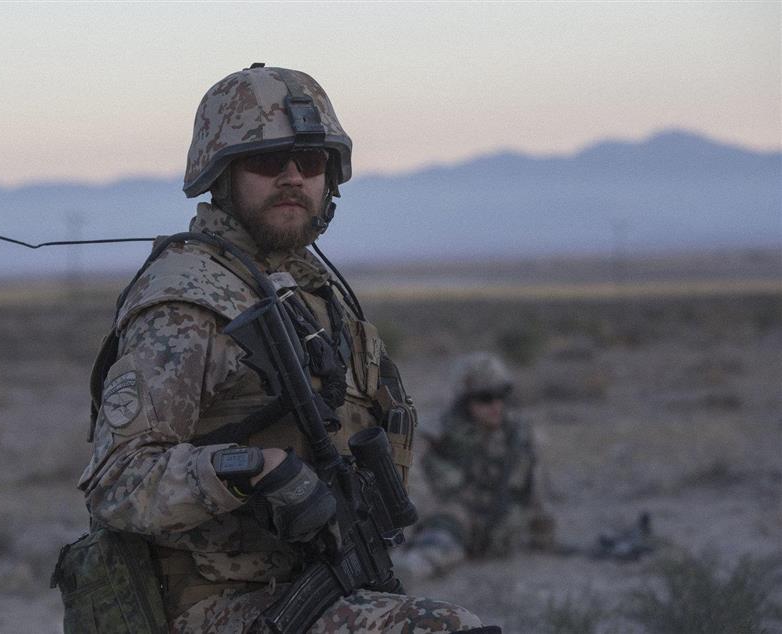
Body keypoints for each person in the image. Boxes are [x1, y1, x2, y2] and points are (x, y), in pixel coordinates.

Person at [52, 65, 499, 633]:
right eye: (266, 162)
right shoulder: (188, 300)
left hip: (310, 587)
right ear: (221, 176)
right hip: (206, 605)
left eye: (309, 162)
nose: (292, 178)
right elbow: (119, 482)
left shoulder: (314, 293)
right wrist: (254, 468)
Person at [397, 353, 554, 579]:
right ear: (465, 401)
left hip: (500, 528)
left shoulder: (518, 435)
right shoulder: (439, 430)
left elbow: (537, 492)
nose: (496, 405)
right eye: (485, 398)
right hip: (451, 519)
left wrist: (544, 536)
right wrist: (423, 515)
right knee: (431, 551)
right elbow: (408, 473)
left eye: (501, 396)